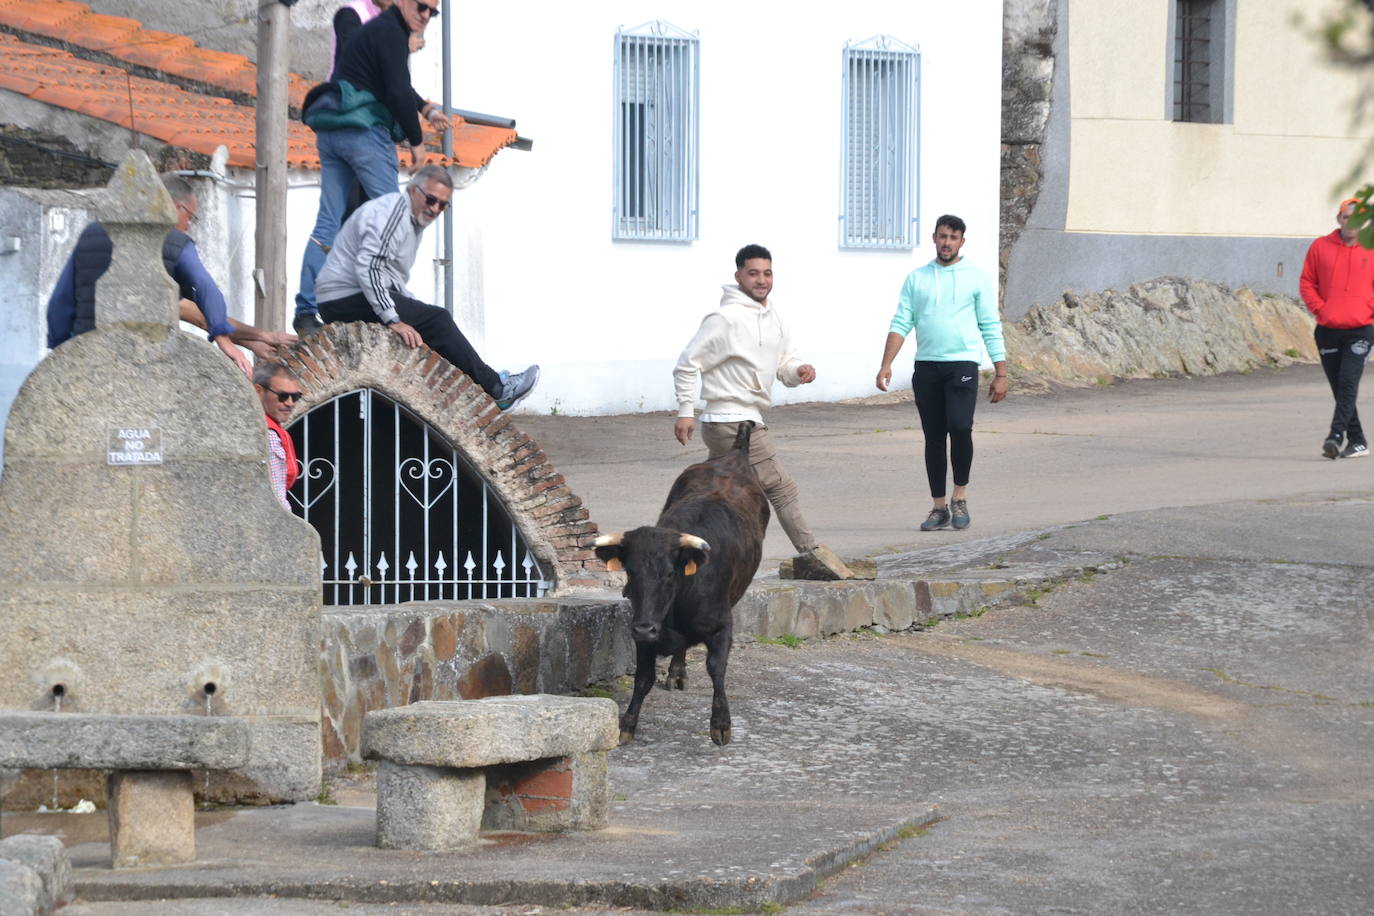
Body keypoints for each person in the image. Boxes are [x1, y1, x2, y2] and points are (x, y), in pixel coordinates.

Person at [673, 244, 851, 580]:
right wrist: (685, 411)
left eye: (767, 273)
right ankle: (812, 557)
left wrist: (798, 371)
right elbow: (687, 364)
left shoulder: (775, 318)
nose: (761, 280)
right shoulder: (724, 319)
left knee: (720, 494)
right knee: (781, 488)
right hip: (733, 422)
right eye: (753, 273)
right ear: (738, 275)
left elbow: (784, 362)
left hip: (739, 419)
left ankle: (696, 557)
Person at [314, 164, 539, 409]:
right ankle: (498, 388)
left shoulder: (409, 220)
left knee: (429, 323)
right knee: (438, 320)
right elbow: (369, 268)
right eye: (431, 200)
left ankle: (463, 397)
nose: (435, 209)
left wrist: (408, 308)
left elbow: (389, 277)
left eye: (443, 205)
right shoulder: (392, 214)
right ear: (412, 191)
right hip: (342, 298)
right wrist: (393, 319)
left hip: (349, 296)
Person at [295, 0, 450, 336]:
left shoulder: (381, 29)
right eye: (422, 7)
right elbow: (394, 89)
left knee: (329, 221)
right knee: (397, 214)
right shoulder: (373, 23)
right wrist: (416, 140)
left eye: (433, 12)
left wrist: (425, 109)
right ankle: (389, 302)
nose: (425, 16)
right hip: (364, 131)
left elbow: (391, 82)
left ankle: (307, 311)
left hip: (332, 129)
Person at [44, 174, 290, 377]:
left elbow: (60, 302)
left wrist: (60, 349)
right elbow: (205, 290)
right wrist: (224, 339)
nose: (189, 225)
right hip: (143, 360)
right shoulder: (173, 242)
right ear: (174, 206)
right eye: (190, 216)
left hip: (89, 352)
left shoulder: (91, 234)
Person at [875, 214, 1007, 532]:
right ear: (934, 238)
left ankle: (959, 496)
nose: (947, 242)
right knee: (934, 437)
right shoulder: (917, 279)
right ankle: (938, 507)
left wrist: (1001, 372)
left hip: (962, 364)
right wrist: (886, 364)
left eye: (953, 237)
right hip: (927, 367)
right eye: (942, 236)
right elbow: (901, 321)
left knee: (960, 427)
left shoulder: (975, 277)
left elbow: (990, 324)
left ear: (962, 241)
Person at [1299, 197, 1374, 459]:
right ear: (1339, 219)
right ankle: (1359, 441)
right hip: (1328, 328)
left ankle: (1335, 436)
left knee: (1348, 382)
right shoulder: (1321, 246)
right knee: (1339, 387)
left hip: (1361, 329)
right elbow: (1307, 281)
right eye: (1346, 217)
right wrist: (1321, 309)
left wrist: (1368, 308)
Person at [253, 362, 302, 510]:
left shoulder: (258, 426)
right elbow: (276, 498)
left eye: (295, 397)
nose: (290, 403)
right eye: (283, 396)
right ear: (259, 391)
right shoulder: (270, 435)